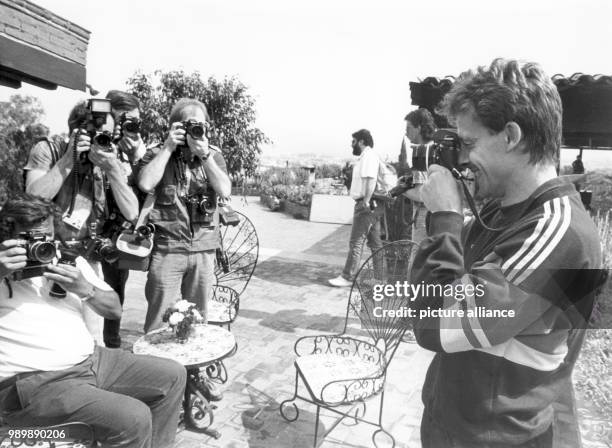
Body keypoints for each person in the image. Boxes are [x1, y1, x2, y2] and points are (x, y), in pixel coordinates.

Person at [410, 58, 602, 447]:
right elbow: (443, 287)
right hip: (455, 425)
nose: (461, 158)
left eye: (468, 143)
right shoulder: (502, 212)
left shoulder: (559, 231)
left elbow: (434, 322)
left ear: (511, 136)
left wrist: (445, 217)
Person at [0, 193, 186, 448]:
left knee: (173, 374)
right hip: (36, 382)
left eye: (45, 238)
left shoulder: (64, 259)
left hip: (92, 361)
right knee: (132, 417)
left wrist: (84, 288)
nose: (39, 247)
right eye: (28, 239)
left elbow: (114, 309)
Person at [24, 99, 139, 342]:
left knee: (90, 338)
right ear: (76, 131)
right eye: (96, 134)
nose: (102, 141)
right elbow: (31, 201)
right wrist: (68, 160)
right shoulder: (50, 150)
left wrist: (112, 168)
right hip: (44, 257)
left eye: (107, 136)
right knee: (44, 333)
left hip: (85, 260)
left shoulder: (108, 159)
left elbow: (131, 212)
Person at [138, 98, 231, 333]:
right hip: (168, 247)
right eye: (188, 125)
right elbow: (146, 182)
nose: (195, 130)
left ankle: (193, 366)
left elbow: (225, 191)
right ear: (175, 126)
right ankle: (158, 367)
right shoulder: (157, 153)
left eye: (200, 125)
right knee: (159, 319)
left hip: (203, 247)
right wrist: (169, 147)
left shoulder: (213, 155)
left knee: (198, 319)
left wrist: (205, 156)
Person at [101, 90, 147, 349]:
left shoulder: (136, 149)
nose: (129, 127)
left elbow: (145, 188)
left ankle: (111, 342)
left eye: (134, 121)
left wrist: (136, 155)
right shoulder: (101, 143)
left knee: (116, 288)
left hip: (120, 233)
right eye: (123, 121)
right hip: (95, 228)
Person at [329, 129, 383, 287]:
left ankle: (347, 277)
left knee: (356, 242)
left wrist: (365, 201)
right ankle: (380, 279)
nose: (351, 144)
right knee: (375, 243)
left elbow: (370, 179)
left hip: (366, 203)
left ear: (361, 141)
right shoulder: (368, 156)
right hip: (373, 203)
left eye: (353, 141)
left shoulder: (368, 156)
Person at [403, 108, 437, 245]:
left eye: (409, 128)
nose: (406, 132)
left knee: (418, 261)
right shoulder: (436, 148)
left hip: (425, 215)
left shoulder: (421, 151)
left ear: (419, 128)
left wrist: (399, 189)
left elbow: (420, 194)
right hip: (442, 214)